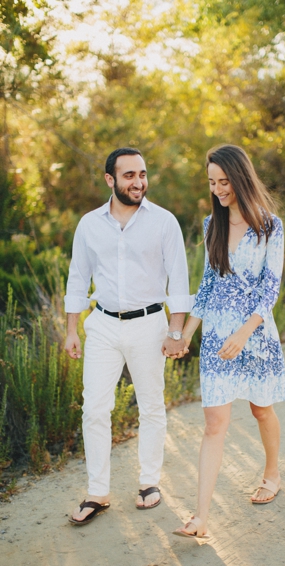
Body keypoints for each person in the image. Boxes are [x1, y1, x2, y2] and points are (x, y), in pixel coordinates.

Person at [64, 148, 192, 525]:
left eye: (143, 174)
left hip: (149, 324)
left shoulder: (164, 222)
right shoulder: (89, 224)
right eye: (129, 176)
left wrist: (175, 330)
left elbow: (179, 280)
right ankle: (97, 493)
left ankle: (149, 483)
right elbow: (76, 277)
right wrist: (72, 328)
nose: (138, 182)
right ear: (110, 180)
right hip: (102, 324)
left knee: (151, 406)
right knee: (94, 409)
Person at [172, 144, 285, 539]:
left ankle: (272, 472)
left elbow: (269, 289)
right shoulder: (211, 226)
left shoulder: (271, 226)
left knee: (261, 410)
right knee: (214, 423)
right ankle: (201, 517)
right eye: (211, 182)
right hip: (218, 336)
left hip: (254, 336)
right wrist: (185, 333)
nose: (218, 189)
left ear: (240, 178)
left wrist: (244, 332)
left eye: (224, 181)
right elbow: (207, 286)